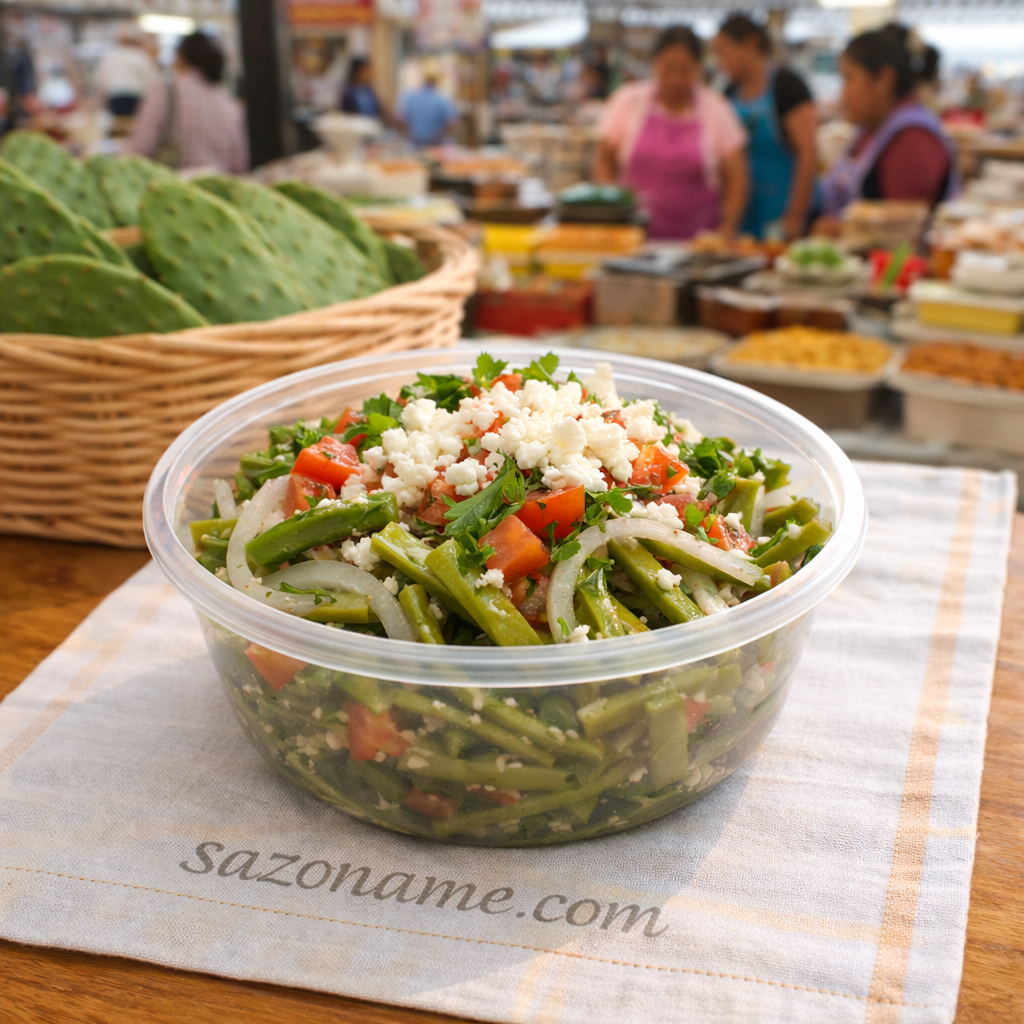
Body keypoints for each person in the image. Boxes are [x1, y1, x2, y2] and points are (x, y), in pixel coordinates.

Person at [595, 26, 748, 241]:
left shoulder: (717, 109)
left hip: (699, 244)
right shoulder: (628, 101)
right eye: (668, 69)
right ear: (654, 64)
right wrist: (609, 207)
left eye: (685, 70)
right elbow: (604, 159)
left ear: (698, 68)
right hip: (634, 239)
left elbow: (737, 178)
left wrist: (728, 228)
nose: (675, 79)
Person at [818, 24, 956, 227]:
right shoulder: (871, 128)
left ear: (885, 79)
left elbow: (903, 230)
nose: (843, 92)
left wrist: (841, 231)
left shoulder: (913, 137)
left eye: (849, 78)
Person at [713, 14, 817, 239]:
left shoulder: (788, 88)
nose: (720, 63)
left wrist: (795, 216)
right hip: (745, 218)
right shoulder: (729, 93)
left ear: (750, 45)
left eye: (724, 52)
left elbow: (808, 155)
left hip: (783, 216)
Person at [127, 32, 247, 174]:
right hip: (215, 193)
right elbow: (239, 167)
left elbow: (137, 153)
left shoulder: (164, 93)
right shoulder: (230, 106)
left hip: (172, 191)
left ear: (182, 57)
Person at [95, 29, 158, 117]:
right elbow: (150, 79)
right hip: (136, 96)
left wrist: (102, 102)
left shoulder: (110, 56)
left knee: (118, 124)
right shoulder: (140, 55)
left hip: (115, 96)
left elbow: (101, 81)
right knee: (135, 124)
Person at [398, 65, 459, 147]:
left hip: (414, 145)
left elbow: (400, 120)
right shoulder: (442, 98)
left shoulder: (409, 97)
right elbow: (452, 123)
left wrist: (413, 134)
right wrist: (437, 135)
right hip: (437, 145)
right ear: (437, 79)